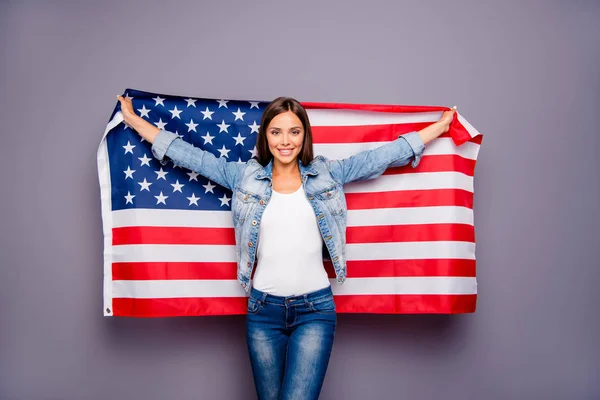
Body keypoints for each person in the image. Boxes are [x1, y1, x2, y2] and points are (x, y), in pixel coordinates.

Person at [117, 94, 455, 400]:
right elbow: (189, 156)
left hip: (316, 311)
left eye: (294, 131)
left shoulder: (328, 173)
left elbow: (382, 156)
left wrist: (437, 128)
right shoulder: (244, 176)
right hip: (263, 312)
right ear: (265, 135)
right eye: (276, 132)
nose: (285, 141)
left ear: (305, 135)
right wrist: (133, 120)